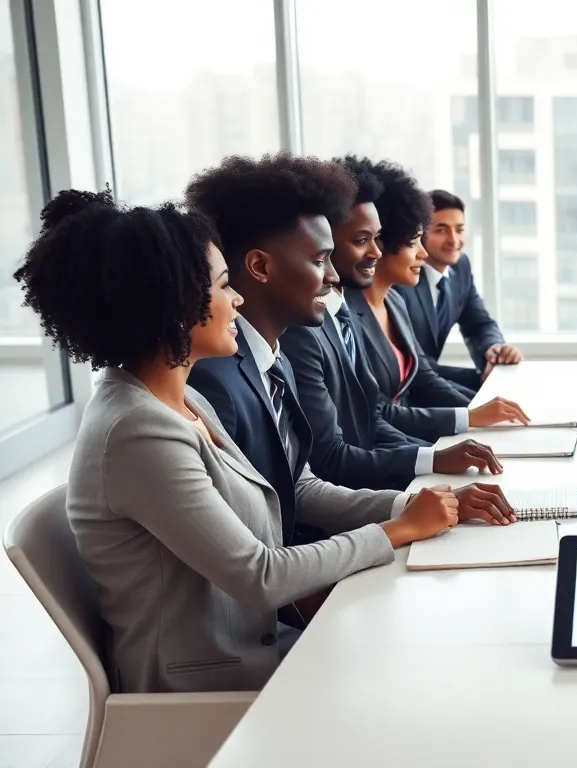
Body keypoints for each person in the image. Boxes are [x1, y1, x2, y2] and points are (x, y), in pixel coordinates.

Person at [15, 188, 462, 693]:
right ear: (174, 303)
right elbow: (260, 576)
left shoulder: (181, 402)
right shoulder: (137, 431)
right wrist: (396, 530)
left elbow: (295, 488)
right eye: (225, 286)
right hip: (209, 692)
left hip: (255, 651)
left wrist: (416, 505)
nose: (239, 299)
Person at [185, 154, 517, 554]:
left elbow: (302, 486)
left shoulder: (274, 360)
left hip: (318, 555)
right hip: (295, 577)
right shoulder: (215, 382)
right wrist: (401, 523)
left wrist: (421, 499)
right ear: (260, 266)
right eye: (319, 260)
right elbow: (256, 554)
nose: (333, 275)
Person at [278, 157, 512, 491]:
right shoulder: (309, 329)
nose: (375, 250)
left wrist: (434, 455)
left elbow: (374, 418)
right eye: (362, 240)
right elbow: (333, 456)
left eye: (377, 238)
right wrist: (435, 457)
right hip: (355, 495)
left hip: (380, 472)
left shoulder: (345, 310)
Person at [343, 158, 529, 440]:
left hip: (411, 432)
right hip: (395, 441)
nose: (423, 253)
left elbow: (425, 374)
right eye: (414, 241)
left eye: (460, 228)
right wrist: (470, 416)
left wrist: (483, 409)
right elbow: (376, 414)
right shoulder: (346, 315)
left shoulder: (394, 301)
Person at [394, 190, 521, 392]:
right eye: (441, 230)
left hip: (435, 387)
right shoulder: (401, 280)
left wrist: (495, 351)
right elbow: (413, 364)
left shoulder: (460, 267)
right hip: (408, 392)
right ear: (420, 233)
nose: (454, 240)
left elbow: (478, 324)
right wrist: (482, 380)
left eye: (459, 229)